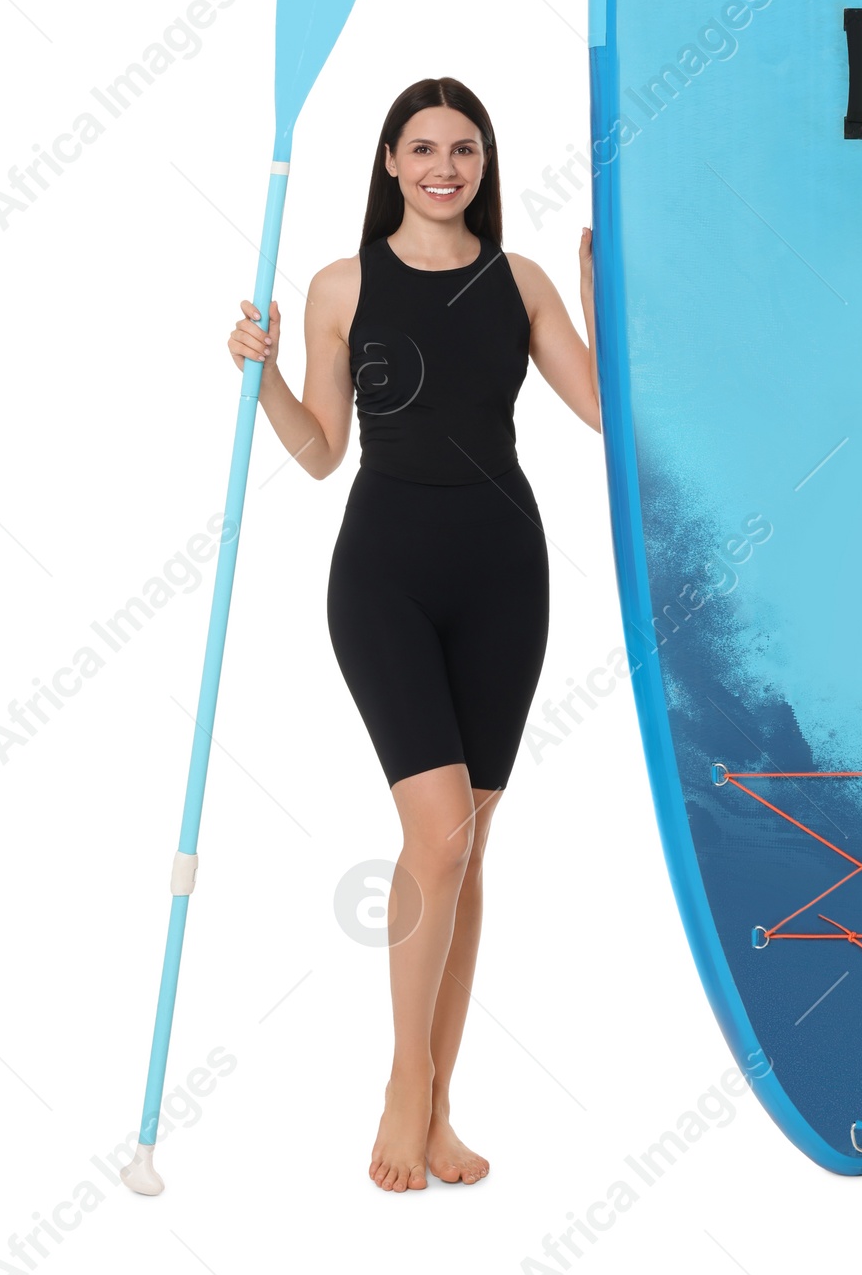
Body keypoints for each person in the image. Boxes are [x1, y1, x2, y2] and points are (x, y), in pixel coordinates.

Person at [228, 74, 599, 1191]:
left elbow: (606, 407)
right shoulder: (342, 283)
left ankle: (442, 1101)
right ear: (389, 159)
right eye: (425, 146)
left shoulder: (520, 281)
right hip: (384, 575)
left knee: (465, 845)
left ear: (485, 166)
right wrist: (260, 380)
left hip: (505, 576)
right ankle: (408, 1084)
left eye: (467, 149)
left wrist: (605, 292)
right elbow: (319, 449)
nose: (447, 165)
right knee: (437, 835)